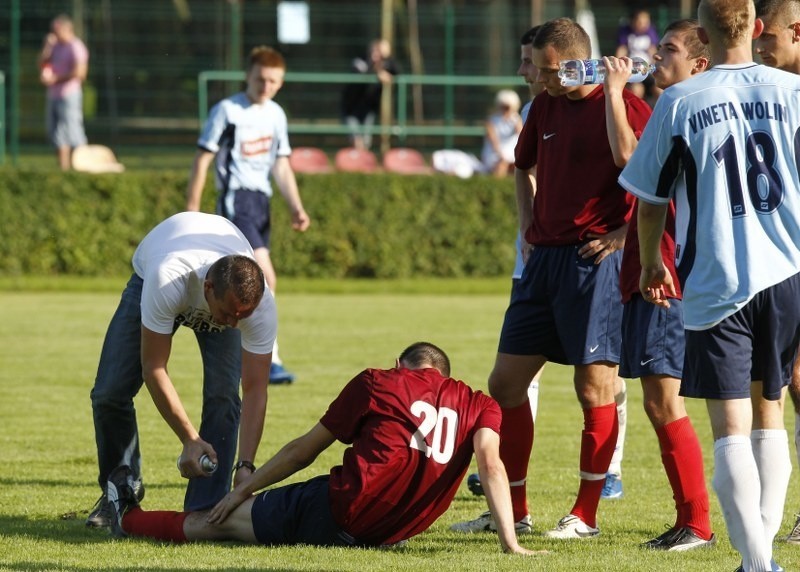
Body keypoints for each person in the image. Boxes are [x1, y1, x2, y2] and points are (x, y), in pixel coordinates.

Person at [453, 17, 652, 540]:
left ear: (572, 63)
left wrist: (624, 234)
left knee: (595, 388)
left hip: (595, 264)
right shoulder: (544, 105)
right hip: (543, 263)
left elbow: (654, 179)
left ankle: (585, 514)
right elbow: (523, 166)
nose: (534, 79)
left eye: (543, 70)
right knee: (505, 383)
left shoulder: (628, 105)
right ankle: (514, 510)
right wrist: (526, 224)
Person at [619, 1, 800, 569]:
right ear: (758, 28)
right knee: (770, 409)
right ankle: (759, 559)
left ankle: (758, 561)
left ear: (701, 35)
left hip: (719, 276)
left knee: (729, 429)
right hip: (790, 271)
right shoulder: (793, 91)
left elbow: (650, 202)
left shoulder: (679, 101)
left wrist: (651, 262)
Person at [104, 342, 539, 556]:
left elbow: (302, 451)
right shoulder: (480, 404)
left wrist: (241, 488)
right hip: (389, 532)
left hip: (336, 511)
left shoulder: (379, 381)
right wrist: (510, 543)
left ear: (399, 366)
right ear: (445, 374)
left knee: (215, 523)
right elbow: (492, 466)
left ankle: (127, 517)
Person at [87, 212, 277, 529]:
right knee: (110, 392)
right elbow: (154, 368)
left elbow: (256, 389)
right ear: (208, 288)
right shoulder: (167, 278)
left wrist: (246, 466)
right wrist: (189, 439)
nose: (233, 324)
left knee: (223, 396)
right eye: (228, 314)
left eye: (242, 317)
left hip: (215, 278)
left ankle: (207, 508)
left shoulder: (256, 308)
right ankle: (118, 491)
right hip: (152, 273)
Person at [605, 19, 716, 551]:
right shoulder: (674, 110)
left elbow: (630, 164)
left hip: (666, 273)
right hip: (649, 269)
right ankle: (692, 519)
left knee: (664, 400)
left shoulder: (685, 110)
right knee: (660, 400)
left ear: (699, 63)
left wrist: (612, 90)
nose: (656, 56)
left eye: (668, 49)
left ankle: (696, 522)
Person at [186, 45, 310, 385]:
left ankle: (246, 355)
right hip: (235, 202)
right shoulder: (227, 111)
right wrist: (192, 209)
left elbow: (281, 164)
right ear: (248, 75)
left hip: (261, 204)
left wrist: (295, 206)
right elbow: (203, 159)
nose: (266, 86)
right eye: (261, 79)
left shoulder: (276, 115)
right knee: (264, 277)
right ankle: (268, 358)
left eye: (273, 81)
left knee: (250, 283)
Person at [754, 0, 800, 545]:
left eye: (769, 40)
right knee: (786, 383)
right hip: (779, 266)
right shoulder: (770, 96)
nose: (761, 50)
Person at [37, 14, 89, 171]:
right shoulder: (55, 46)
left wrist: (56, 79)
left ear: (67, 29)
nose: (54, 34)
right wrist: (47, 46)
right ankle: (64, 170)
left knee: (70, 132)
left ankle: (81, 167)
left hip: (69, 95)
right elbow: (41, 63)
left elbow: (80, 73)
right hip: (53, 95)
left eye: (57, 30)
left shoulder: (76, 47)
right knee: (55, 133)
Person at [340, 39, 398, 150]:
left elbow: (397, 71)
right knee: (356, 138)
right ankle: (356, 162)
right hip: (351, 107)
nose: (376, 57)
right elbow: (361, 72)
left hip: (369, 108)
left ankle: (363, 163)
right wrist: (378, 74)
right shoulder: (360, 62)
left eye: (379, 54)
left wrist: (388, 55)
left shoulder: (385, 65)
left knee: (366, 141)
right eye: (374, 52)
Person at [615, 8, 660, 100]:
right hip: (633, 70)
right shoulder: (626, 32)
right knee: (636, 90)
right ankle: (637, 112)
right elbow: (621, 50)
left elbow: (653, 51)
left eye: (646, 21)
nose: (643, 24)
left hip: (648, 69)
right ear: (633, 21)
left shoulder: (650, 32)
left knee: (659, 90)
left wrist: (655, 67)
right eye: (640, 21)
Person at [480, 89, 523, 177]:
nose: (505, 109)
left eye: (508, 107)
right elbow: (493, 140)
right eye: (503, 106)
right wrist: (501, 155)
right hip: (494, 153)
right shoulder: (492, 120)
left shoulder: (516, 119)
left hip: (512, 153)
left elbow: (521, 134)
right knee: (502, 164)